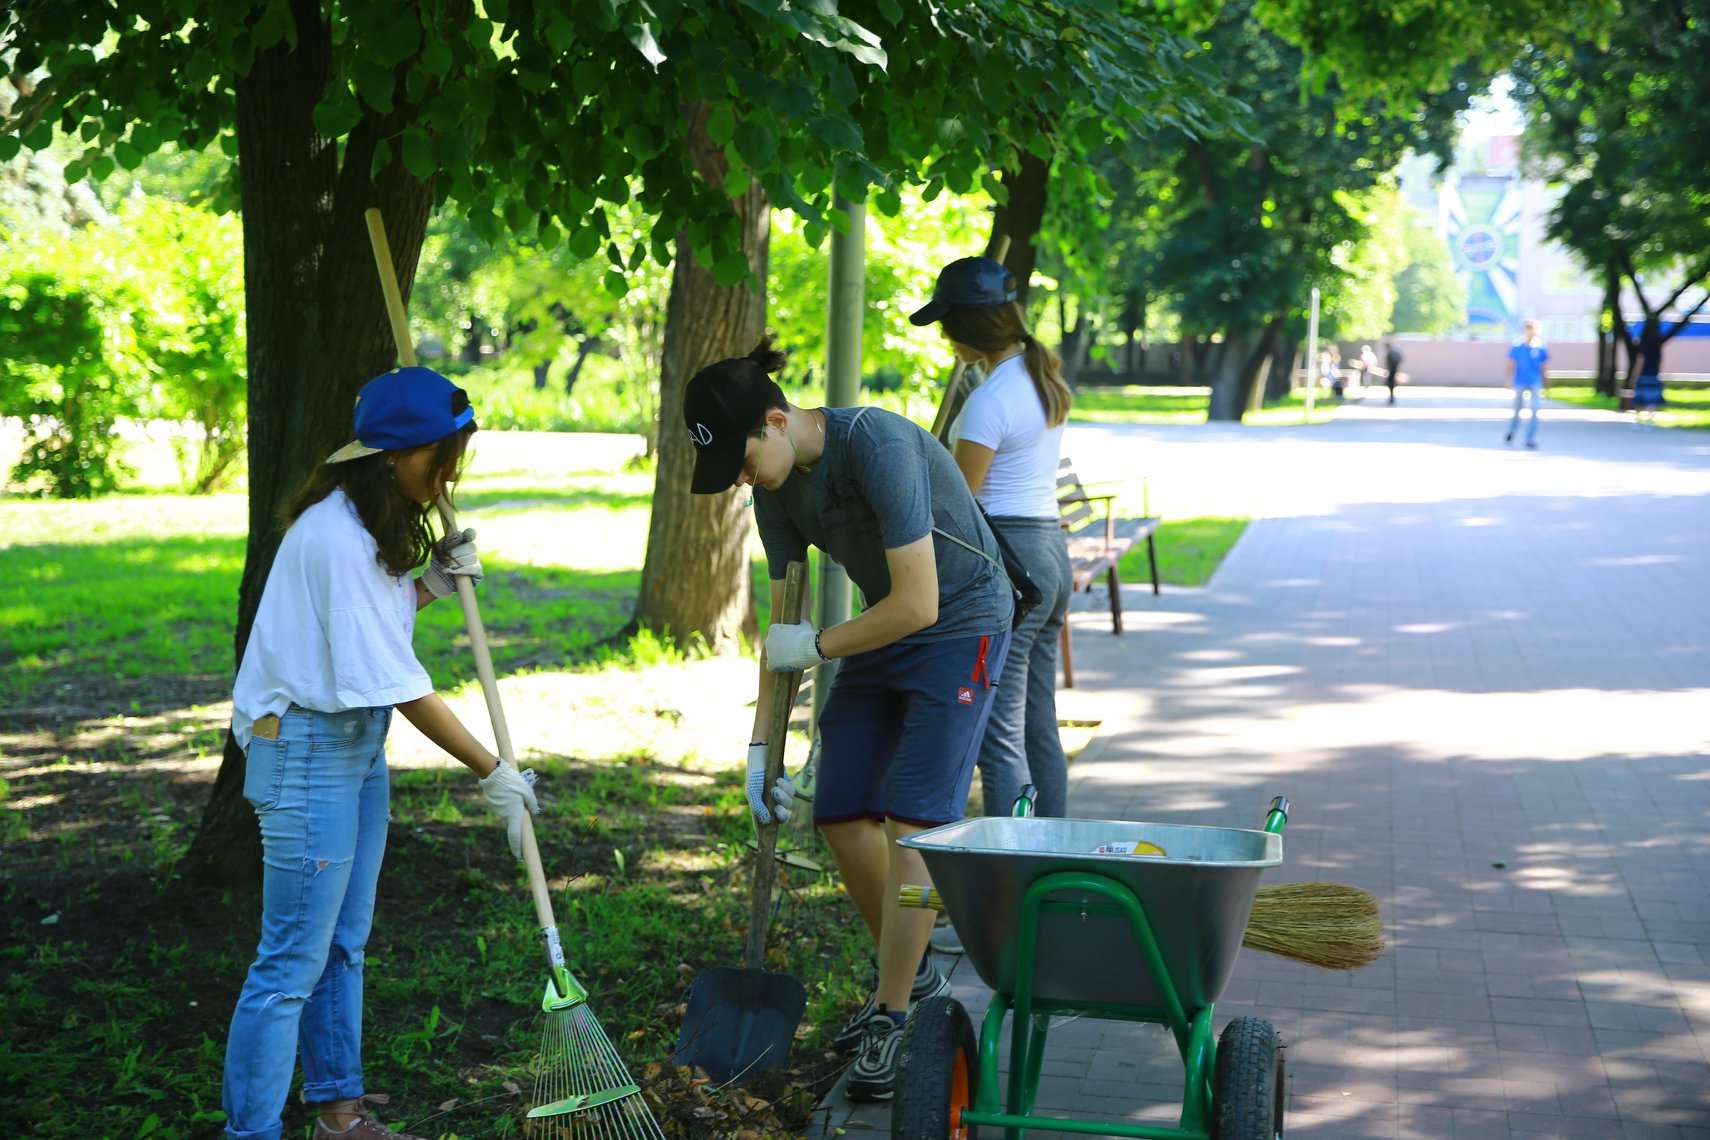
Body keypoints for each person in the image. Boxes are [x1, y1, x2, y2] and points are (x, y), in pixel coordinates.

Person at [683, 338, 1013, 1100]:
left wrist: (822, 645)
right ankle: (918, 977)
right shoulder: (773, 490)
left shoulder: (878, 445)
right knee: (838, 812)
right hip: (884, 628)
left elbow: (921, 602)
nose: (738, 480)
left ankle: (893, 1017)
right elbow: (784, 626)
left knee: (914, 826)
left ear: (775, 420)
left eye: (739, 460)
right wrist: (761, 747)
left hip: (960, 622)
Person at [222, 367, 540, 1140]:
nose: (451, 474)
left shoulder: (363, 525)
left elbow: (368, 628)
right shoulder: (331, 535)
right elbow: (397, 682)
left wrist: (427, 583)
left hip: (352, 747)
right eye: (444, 456)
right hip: (302, 751)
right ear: (395, 455)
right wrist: (491, 770)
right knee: (290, 963)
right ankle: (251, 1131)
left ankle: (340, 1114)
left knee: (341, 945)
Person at [911, 257, 1074, 821]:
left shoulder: (989, 401)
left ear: (967, 326)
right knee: (1037, 722)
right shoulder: (1037, 378)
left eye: (947, 324)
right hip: (1050, 552)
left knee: (997, 733)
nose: (944, 337)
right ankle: (1054, 854)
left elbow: (959, 505)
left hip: (1010, 563)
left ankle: (1010, 886)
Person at [1505, 319, 1549, 449]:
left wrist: (1547, 385)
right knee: (1517, 409)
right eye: (1528, 328)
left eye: (1532, 328)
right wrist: (1508, 379)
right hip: (1520, 381)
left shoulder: (1540, 347)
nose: (1530, 330)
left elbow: (1544, 367)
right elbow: (1511, 364)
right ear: (1524, 330)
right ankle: (1512, 431)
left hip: (1535, 381)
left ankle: (1530, 438)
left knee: (1535, 410)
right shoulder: (1517, 346)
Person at [1383, 340, 1403, 405]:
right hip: (1393, 369)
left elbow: (1392, 362)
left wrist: (1391, 368)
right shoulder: (1395, 352)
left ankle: (1391, 397)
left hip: (1392, 370)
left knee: (1390, 383)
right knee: (1391, 383)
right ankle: (1391, 396)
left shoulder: (1391, 353)